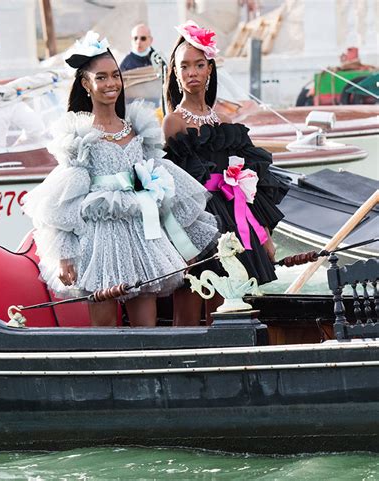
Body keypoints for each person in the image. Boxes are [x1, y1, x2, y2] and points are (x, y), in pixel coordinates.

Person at [23, 31, 219, 328]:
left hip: (143, 238)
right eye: (101, 77)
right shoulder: (80, 137)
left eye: (115, 75)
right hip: (98, 241)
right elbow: (63, 202)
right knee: (104, 332)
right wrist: (65, 256)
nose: (111, 83)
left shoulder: (139, 129)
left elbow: (162, 187)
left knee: (148, 330)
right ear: (86, 84)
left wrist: (183, 244)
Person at [162, 21, 288, 326]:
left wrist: (265, 234)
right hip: (198, 217)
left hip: (235, 213)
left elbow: (250, 179)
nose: (192, 72)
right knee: (194, 296)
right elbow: (173, 185)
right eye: (185, 66)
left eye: (199, 65)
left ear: (209, 69)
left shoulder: (225, 120)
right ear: (176, 73)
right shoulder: (173, 122)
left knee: (233, 299)